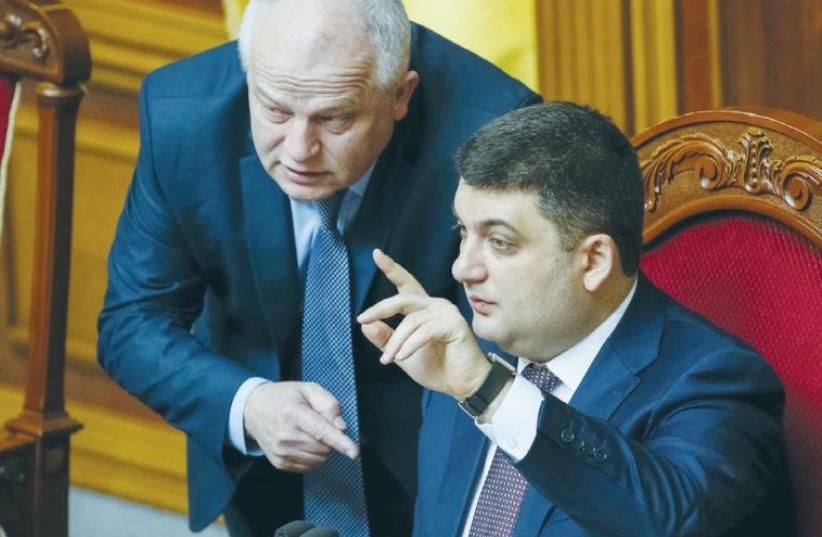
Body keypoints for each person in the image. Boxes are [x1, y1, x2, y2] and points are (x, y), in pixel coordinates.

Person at [96, 0, 539, 535]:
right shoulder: (182, 114)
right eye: (276, 111)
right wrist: (248, 406)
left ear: (402, 94)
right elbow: (133, 322)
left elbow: (527, 342)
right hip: (263, 461)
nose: (300, 150)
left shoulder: (495, 128)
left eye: (335, 118)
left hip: (439, 462)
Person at [358, 102, 795, 537]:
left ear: (593, 261)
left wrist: (489, 392)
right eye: (462, 232)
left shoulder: (716, 380)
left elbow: (668, 522)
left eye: (500, 241)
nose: (462, 268)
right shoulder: (470, 356)